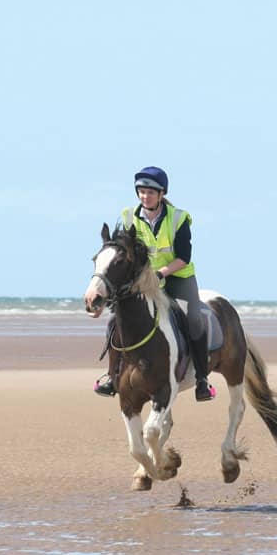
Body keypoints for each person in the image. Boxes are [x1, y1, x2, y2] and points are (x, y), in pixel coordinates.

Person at [94, 166, 214, 402]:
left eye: (150, 192)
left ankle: (202, 379)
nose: (144, 196)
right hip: (144, 280)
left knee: (194, 321)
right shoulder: (129, 216)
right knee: (114, 321)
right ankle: (112, 376)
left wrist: (161, 274)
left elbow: (183, 257)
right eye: (141, 191)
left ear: (161, 194)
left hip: (178, 276)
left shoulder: (178, 218)